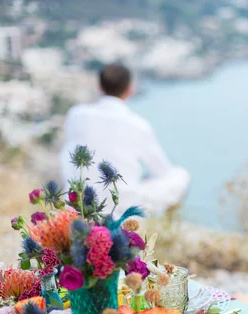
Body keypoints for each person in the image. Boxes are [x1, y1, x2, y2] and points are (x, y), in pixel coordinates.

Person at [58, 63, 190, 217]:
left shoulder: (76, 114)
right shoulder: (139, 126)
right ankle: (169, 225)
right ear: (129, 89)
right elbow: (162, 170)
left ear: (100, 87)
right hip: (121, 208)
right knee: (180, 175)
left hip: (77, 202)